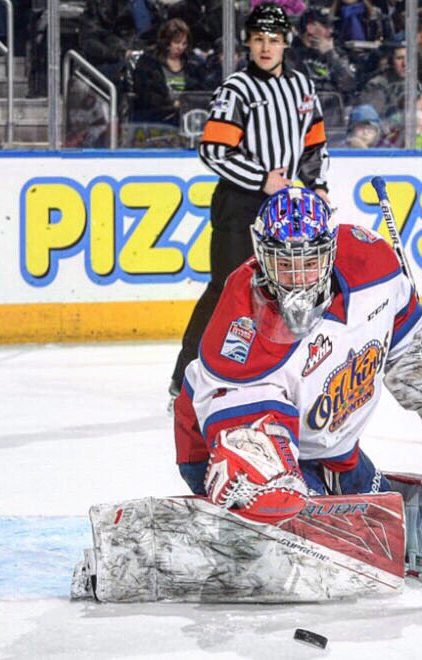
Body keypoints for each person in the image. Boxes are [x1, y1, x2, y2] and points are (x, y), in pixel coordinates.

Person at [173, 187, 422, 522]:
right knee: (286, 512)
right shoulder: (242, 321)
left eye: (310, 261)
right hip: (222, 444)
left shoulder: (371, 264)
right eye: (283, 263)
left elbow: (403, 324)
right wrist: (277, 483)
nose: (298, 278)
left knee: (389, 524)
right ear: (261, 255)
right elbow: (246, 433)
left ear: (332, 251)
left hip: (324, 444)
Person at [169, 2, 330, 400]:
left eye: (273, 40)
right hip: (239, 205)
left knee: (284, 290)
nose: (265, 47)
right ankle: (185, 377)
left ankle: (267, 373)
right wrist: (262, 179)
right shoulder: (236, 89)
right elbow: (213, 151)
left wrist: (319, 185)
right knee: (226, 292)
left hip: (283, 208)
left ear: (286, 44)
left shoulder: (302, 89)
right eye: (258, 39)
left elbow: (315, 145)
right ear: (248, 43)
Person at [131, 18, 204, 125]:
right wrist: (172, 104)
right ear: (166, 41)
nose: (180, 47)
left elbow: (201, 91)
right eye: (177, 42)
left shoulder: (192, 64)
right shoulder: (148, 63)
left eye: (184, 44)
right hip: (156, 119)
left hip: (188, 118)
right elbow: (145, 95)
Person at [285, 7, 357, 98]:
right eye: (326, 26)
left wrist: (330, 54)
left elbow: (349, 85)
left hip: (335, 107)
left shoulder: (337, 53)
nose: (331, 31)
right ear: (310, 27)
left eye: (332, 26)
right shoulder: (291, 52)